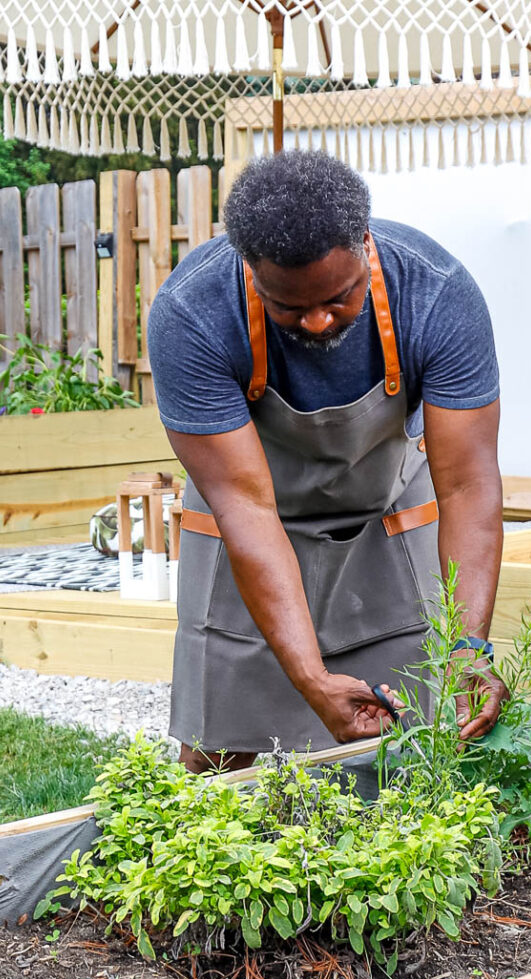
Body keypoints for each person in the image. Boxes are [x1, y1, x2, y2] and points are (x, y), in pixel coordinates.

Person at [148, 150, 505, 773]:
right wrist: (309, 676)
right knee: (217, 748)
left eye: (338, 298)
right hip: (250, 521)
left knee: (417, 738)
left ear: (365, 246)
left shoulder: (437, 291)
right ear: (249, 269)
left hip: (384, 515)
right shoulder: (191, 312)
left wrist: (468, 647)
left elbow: (470, 487)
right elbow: (245, 506)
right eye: (287, 307)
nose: (315, 321)